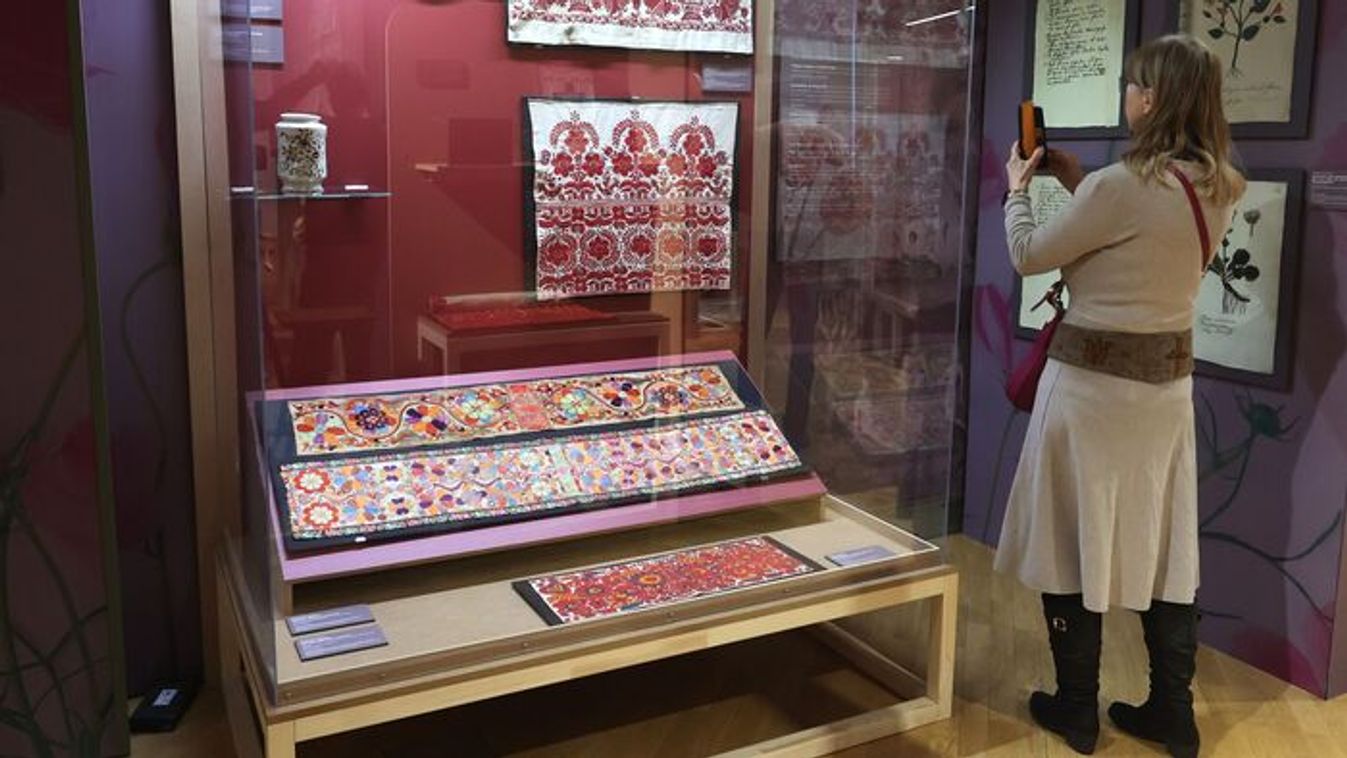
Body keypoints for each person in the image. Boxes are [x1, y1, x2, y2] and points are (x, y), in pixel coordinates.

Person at [995, 34, 1246, 757]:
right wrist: (1080, 184)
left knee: (1069, 540)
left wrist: (1019, 190)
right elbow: (1139, 242)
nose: (1126, 95)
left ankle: (1077, 710)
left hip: (1089, 396)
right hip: (1163, 399)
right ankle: (1173, 712)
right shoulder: (1219, 187)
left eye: (1133, 85)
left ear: (1151, 98)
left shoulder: (1118, 186)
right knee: (1164, 550)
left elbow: (1028, 254)